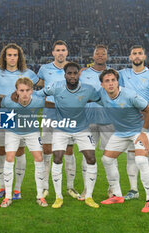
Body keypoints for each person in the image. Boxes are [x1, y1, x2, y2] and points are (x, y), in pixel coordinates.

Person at [40, 62, 100, 209]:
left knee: (91, 158)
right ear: (65, 74)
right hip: (61, 129)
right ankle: (58, 197)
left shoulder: (88, 89)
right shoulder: (56, 87)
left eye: (75, 73)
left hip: (82, 128)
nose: (72, 76)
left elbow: (102, 99)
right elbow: (40, 94)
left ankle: (89, 196)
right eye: (69, 73)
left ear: (79, 74)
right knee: (58, 157)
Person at [97, 69, 149, 213]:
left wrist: (144, 133)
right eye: (107, 81)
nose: (111, 84)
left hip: (138, 132)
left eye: (113, 80)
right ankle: (117, 195)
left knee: (141, 161)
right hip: (121, 133)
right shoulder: (101, 95)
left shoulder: (129, 95)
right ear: (102, 84)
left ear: (117, 82)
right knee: (106, 160)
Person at [0, 43, 39, 199]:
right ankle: (3, 187)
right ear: (4, 57)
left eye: (15, 55)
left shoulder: (28, 73)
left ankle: (17, 189)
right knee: (2, 151)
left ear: (19, 57)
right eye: (9, 55)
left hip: (22, 116)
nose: (12, 58)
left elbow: (36, 88)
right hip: (3, 115)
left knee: (19, 151)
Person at [36, 40, 79, 199]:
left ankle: (70, 187)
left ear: (67, 52)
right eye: (58, 50)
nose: (60, 53)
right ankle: (45, 187)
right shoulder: (44, 69)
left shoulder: (73, 69)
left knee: (68, 150)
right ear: (53, 53)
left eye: (63, 50)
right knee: (46, 149)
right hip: (50, 112)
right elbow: (38, 84)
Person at [119, 45, 149, 202]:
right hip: (130, 123)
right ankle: (133, 190)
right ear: (130, 57)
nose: (137, 56)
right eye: (134, 54)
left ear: (144, 56)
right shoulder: (123, 74)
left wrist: (148, 110)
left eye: (140, 53)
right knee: (131, 157)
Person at [0, 77, 48, 208]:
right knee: (9, 158)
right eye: (22, 90)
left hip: (32, 131)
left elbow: (50, 105)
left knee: (39, 158)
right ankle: (8, 196)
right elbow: (0, 106)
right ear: (17, 91)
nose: (25, 93)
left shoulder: (38, 101)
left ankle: (40, 196)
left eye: (27, 90)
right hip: (13, 132)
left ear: (32, 90)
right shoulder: (8, 101)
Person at [79, 44, 114, 200]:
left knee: (110, 157)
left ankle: (112, 189)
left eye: (103, 54)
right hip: (88, 121)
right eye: (97, 53)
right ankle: (86, 189)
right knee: (87, 156)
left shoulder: (114, 74)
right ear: (93, 56)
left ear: (106, 56)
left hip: (108, 121)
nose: (100, 56)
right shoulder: (83, 74)